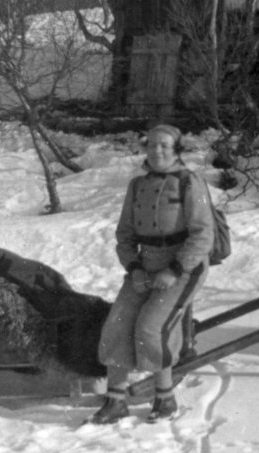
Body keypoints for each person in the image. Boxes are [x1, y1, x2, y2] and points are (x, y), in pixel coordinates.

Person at [88, 124, 214, 425]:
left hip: (185, 266)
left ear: (176, 150)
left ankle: (165, 399)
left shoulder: (190, 182)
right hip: (146, 265)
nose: (157, 151)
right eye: (152, 145)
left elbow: (203, 234)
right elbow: (125, 234)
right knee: (116, 324)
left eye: (165, 146)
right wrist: (134, 268)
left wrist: (175, 269)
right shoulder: (137, 185)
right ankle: (116, 402)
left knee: (150, 327)